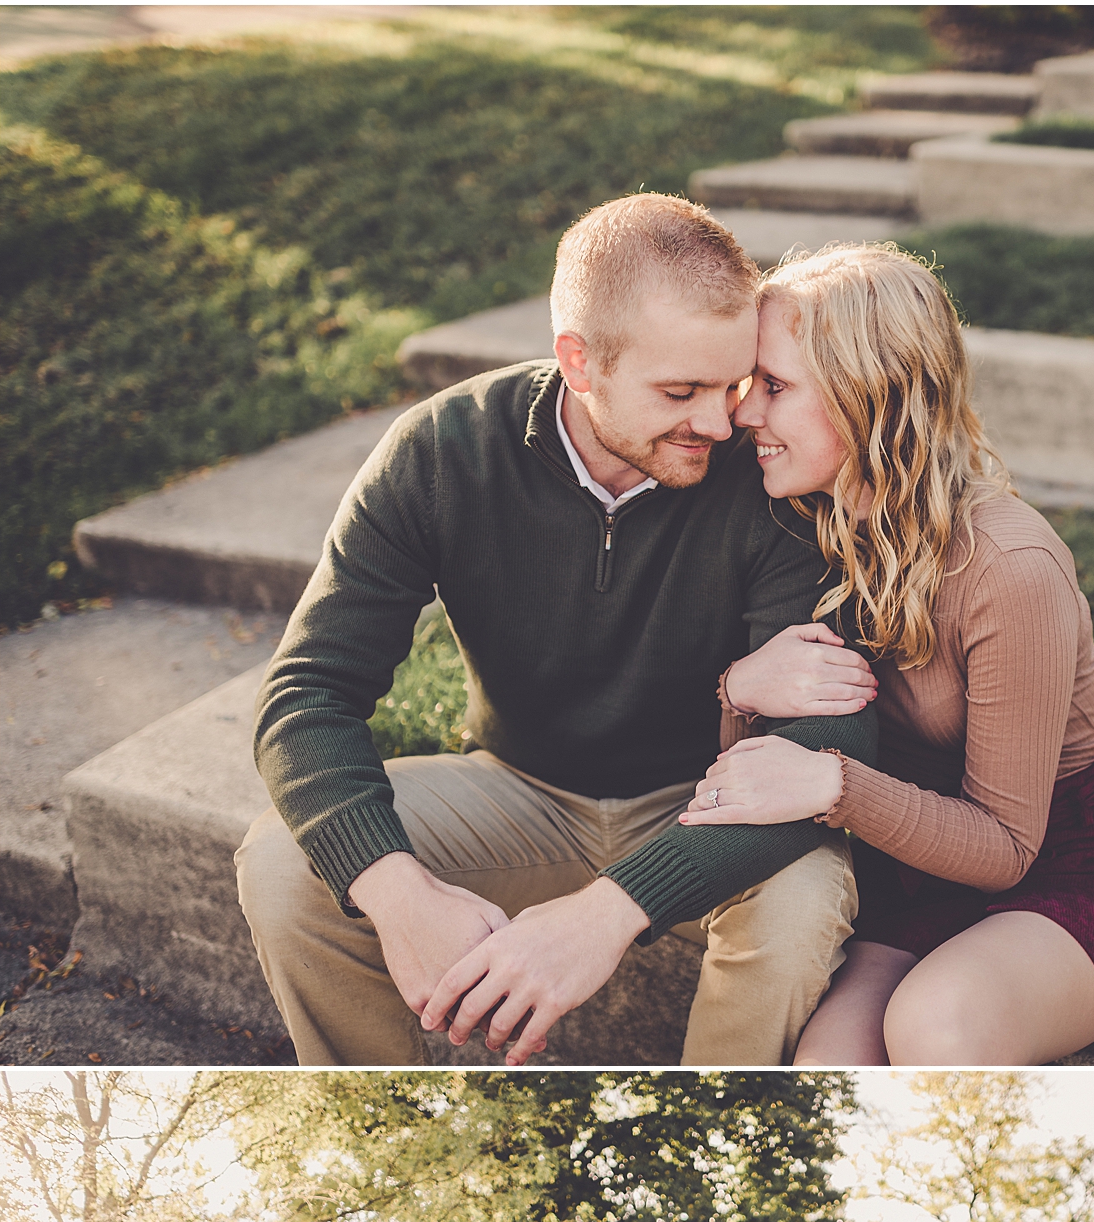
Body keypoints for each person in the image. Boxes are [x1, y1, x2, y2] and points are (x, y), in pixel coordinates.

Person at [236, 193, 879, 1067]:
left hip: (712, 800)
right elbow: (305, 695)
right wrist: (400, 894)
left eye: (731, 384)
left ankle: (701, 1160)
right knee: (284, 866)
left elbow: (832, 740)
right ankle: (404, 1144)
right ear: (579, 362)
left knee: (803, 901)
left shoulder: (769, 475)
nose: (721, 422)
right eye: (680, 391)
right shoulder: (442, 453)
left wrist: (607, 914)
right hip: (519, 792)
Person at [677, 242, 1094, 1067]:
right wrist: (737, 691)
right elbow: (759, 761)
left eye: (773, 387)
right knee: (827, 1069)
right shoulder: (806, 518)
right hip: (912, 868)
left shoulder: (1009, 568)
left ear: (865, 394)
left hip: (1067, 856)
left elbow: (1007, 847)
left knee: (935, 1029)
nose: (742, 415)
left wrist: (834, 785)